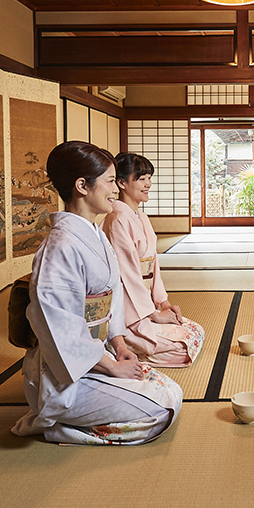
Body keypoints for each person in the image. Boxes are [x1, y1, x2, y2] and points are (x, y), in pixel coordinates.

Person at [11, 141, 182, 445]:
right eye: (108, 181)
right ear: (82, 186)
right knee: (161, 409)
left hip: (98, 356)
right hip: (66, 376)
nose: (116, 190)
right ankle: (56, 425)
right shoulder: (61, 247)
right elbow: (60, 330)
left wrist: (118, 344)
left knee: (171, 392)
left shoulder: (94, 234)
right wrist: (113, 367)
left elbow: (113, 299)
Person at [102, 152, 204, 367]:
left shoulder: (141, 216)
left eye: (149, 178)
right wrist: (153, 315)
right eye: (141, 178)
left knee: (195, 331)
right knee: (180, 348)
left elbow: (152, 265)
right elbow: (127, 277)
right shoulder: (117, 219)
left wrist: (163, 302)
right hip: (130, 310)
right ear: (121, 183)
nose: (148, 184)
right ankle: (121, 344)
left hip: (146, 302)